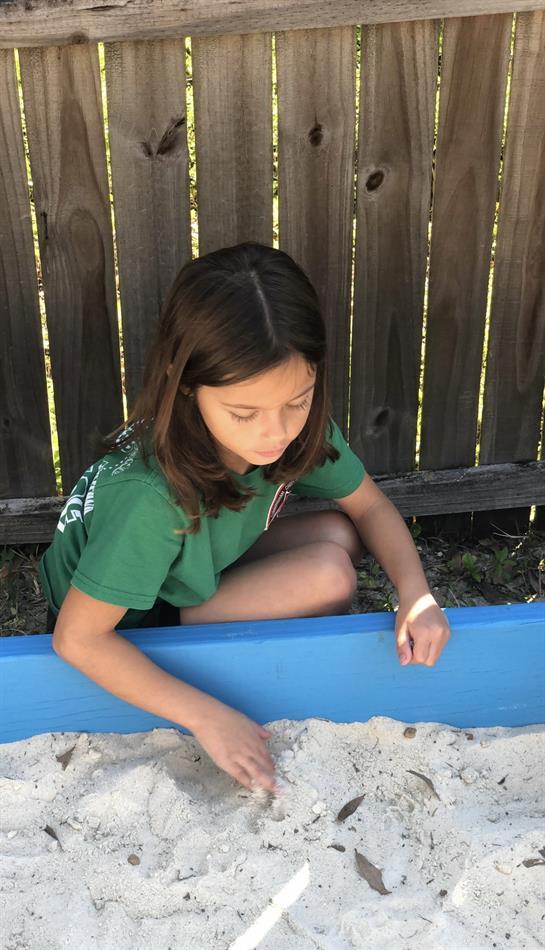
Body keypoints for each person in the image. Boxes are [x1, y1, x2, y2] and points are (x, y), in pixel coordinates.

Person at [38, 241, 451, 796]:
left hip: (182, 564)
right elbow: (77, 640)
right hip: (130, 618)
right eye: (244, 413)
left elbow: (369, 505)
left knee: (338, 533)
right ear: (184, 384)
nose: (276, 433)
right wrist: (207, 716)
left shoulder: (287, 428)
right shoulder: (148, 498)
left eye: (297, 402)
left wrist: (416, 592)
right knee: (330, 575)